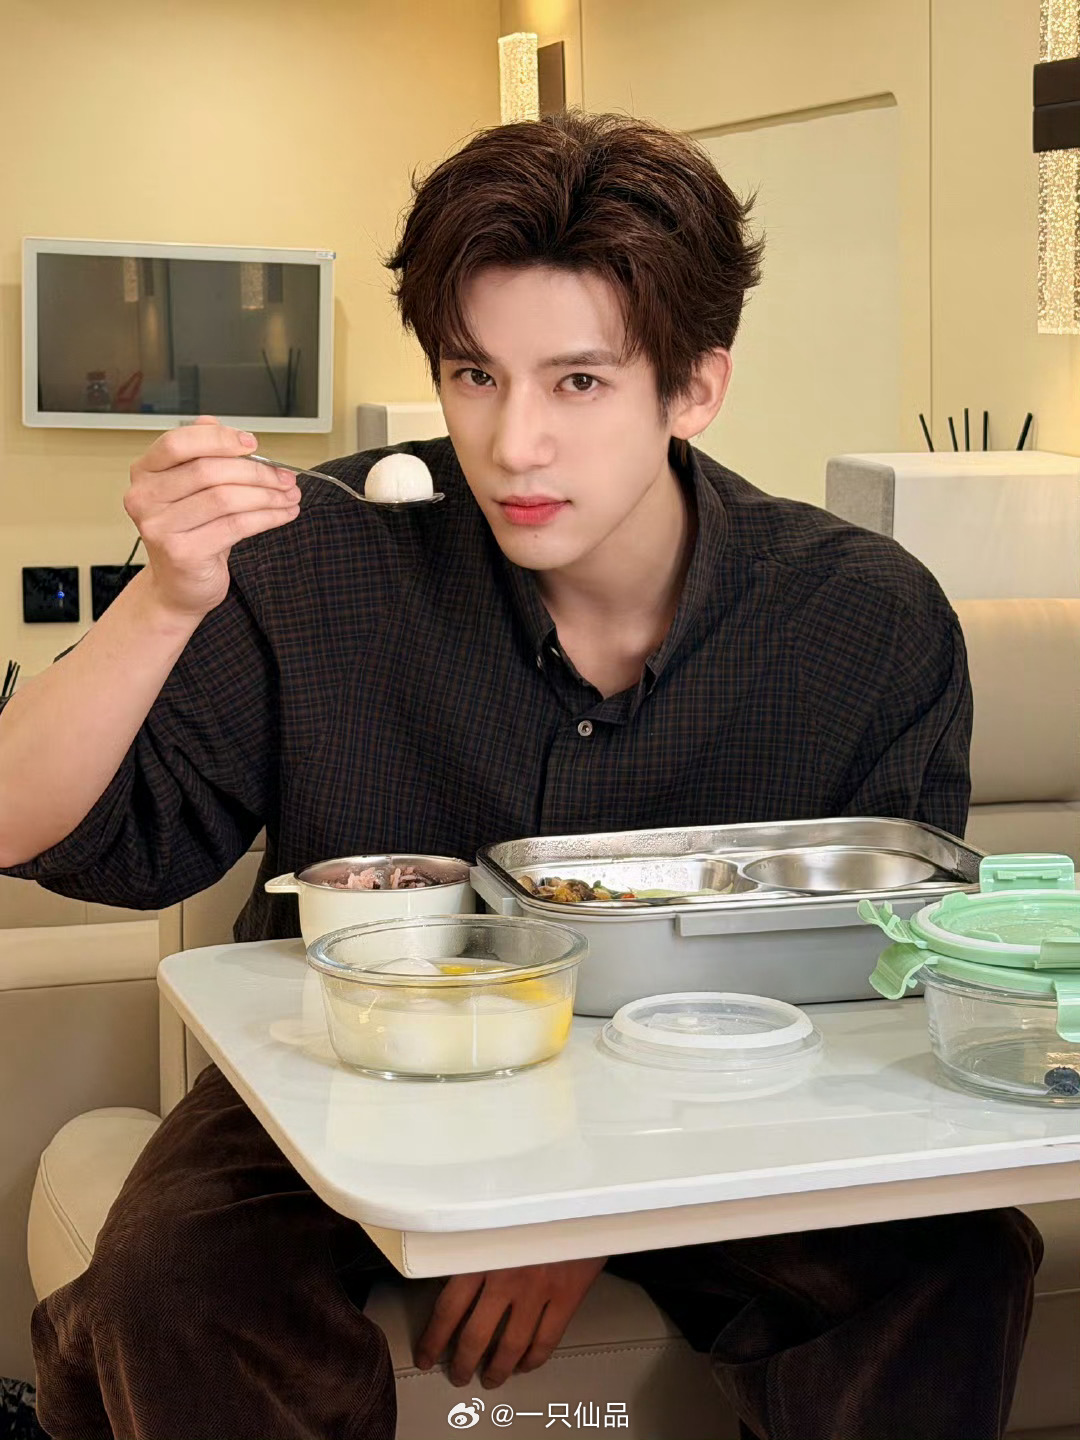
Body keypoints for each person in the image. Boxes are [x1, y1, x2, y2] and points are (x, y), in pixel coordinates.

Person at [0, 111, 1040, 1440]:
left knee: (955, 1261)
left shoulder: (860, 620)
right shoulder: (323, 560)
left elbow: (886, 967)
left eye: (579, 382)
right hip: (358, 1064)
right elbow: (39, 827)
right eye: (475, 375)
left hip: (726, 1090)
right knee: (170, 1285)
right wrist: (160, 601)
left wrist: (583, 1200)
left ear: (695, 387)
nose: (514, 444)